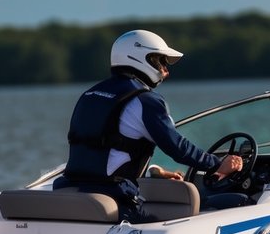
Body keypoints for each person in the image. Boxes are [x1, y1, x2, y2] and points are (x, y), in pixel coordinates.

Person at [55, 29, 242, 223]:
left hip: (70, 188)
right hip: (113, 197)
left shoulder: (90, 95)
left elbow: (106, 150)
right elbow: (178, 148)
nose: (166, 71)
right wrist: (217, 164)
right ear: (144, 58)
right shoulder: (145, 100)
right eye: (162, 61)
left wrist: (154, 171)